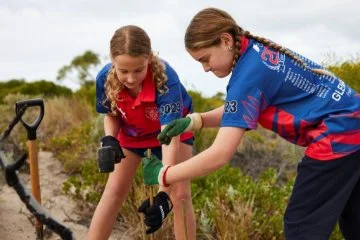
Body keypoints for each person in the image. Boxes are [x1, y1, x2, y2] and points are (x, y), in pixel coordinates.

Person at [137, 7, 360, 240]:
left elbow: (219, 154)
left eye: (205, 59)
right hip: (354, 122)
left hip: (337, 137)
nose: (205, 68)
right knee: (355, 222)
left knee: (301, 227)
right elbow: (244, 106)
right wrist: (196, 121)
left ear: (225, 41)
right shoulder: (255, 52)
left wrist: (165, 174)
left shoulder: (247, 76)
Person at [88, 25, 197, 240]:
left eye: (138, 70)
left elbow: (169, 137)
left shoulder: (166, 79)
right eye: (123, 71)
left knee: (180, 195)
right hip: (132, 133)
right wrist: (109, 138)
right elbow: (111, 113)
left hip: (172, 131)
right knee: (114, 191)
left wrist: (163, 194)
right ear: (112, 61)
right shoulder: (104, 78)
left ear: (149, 58)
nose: (130, 78)